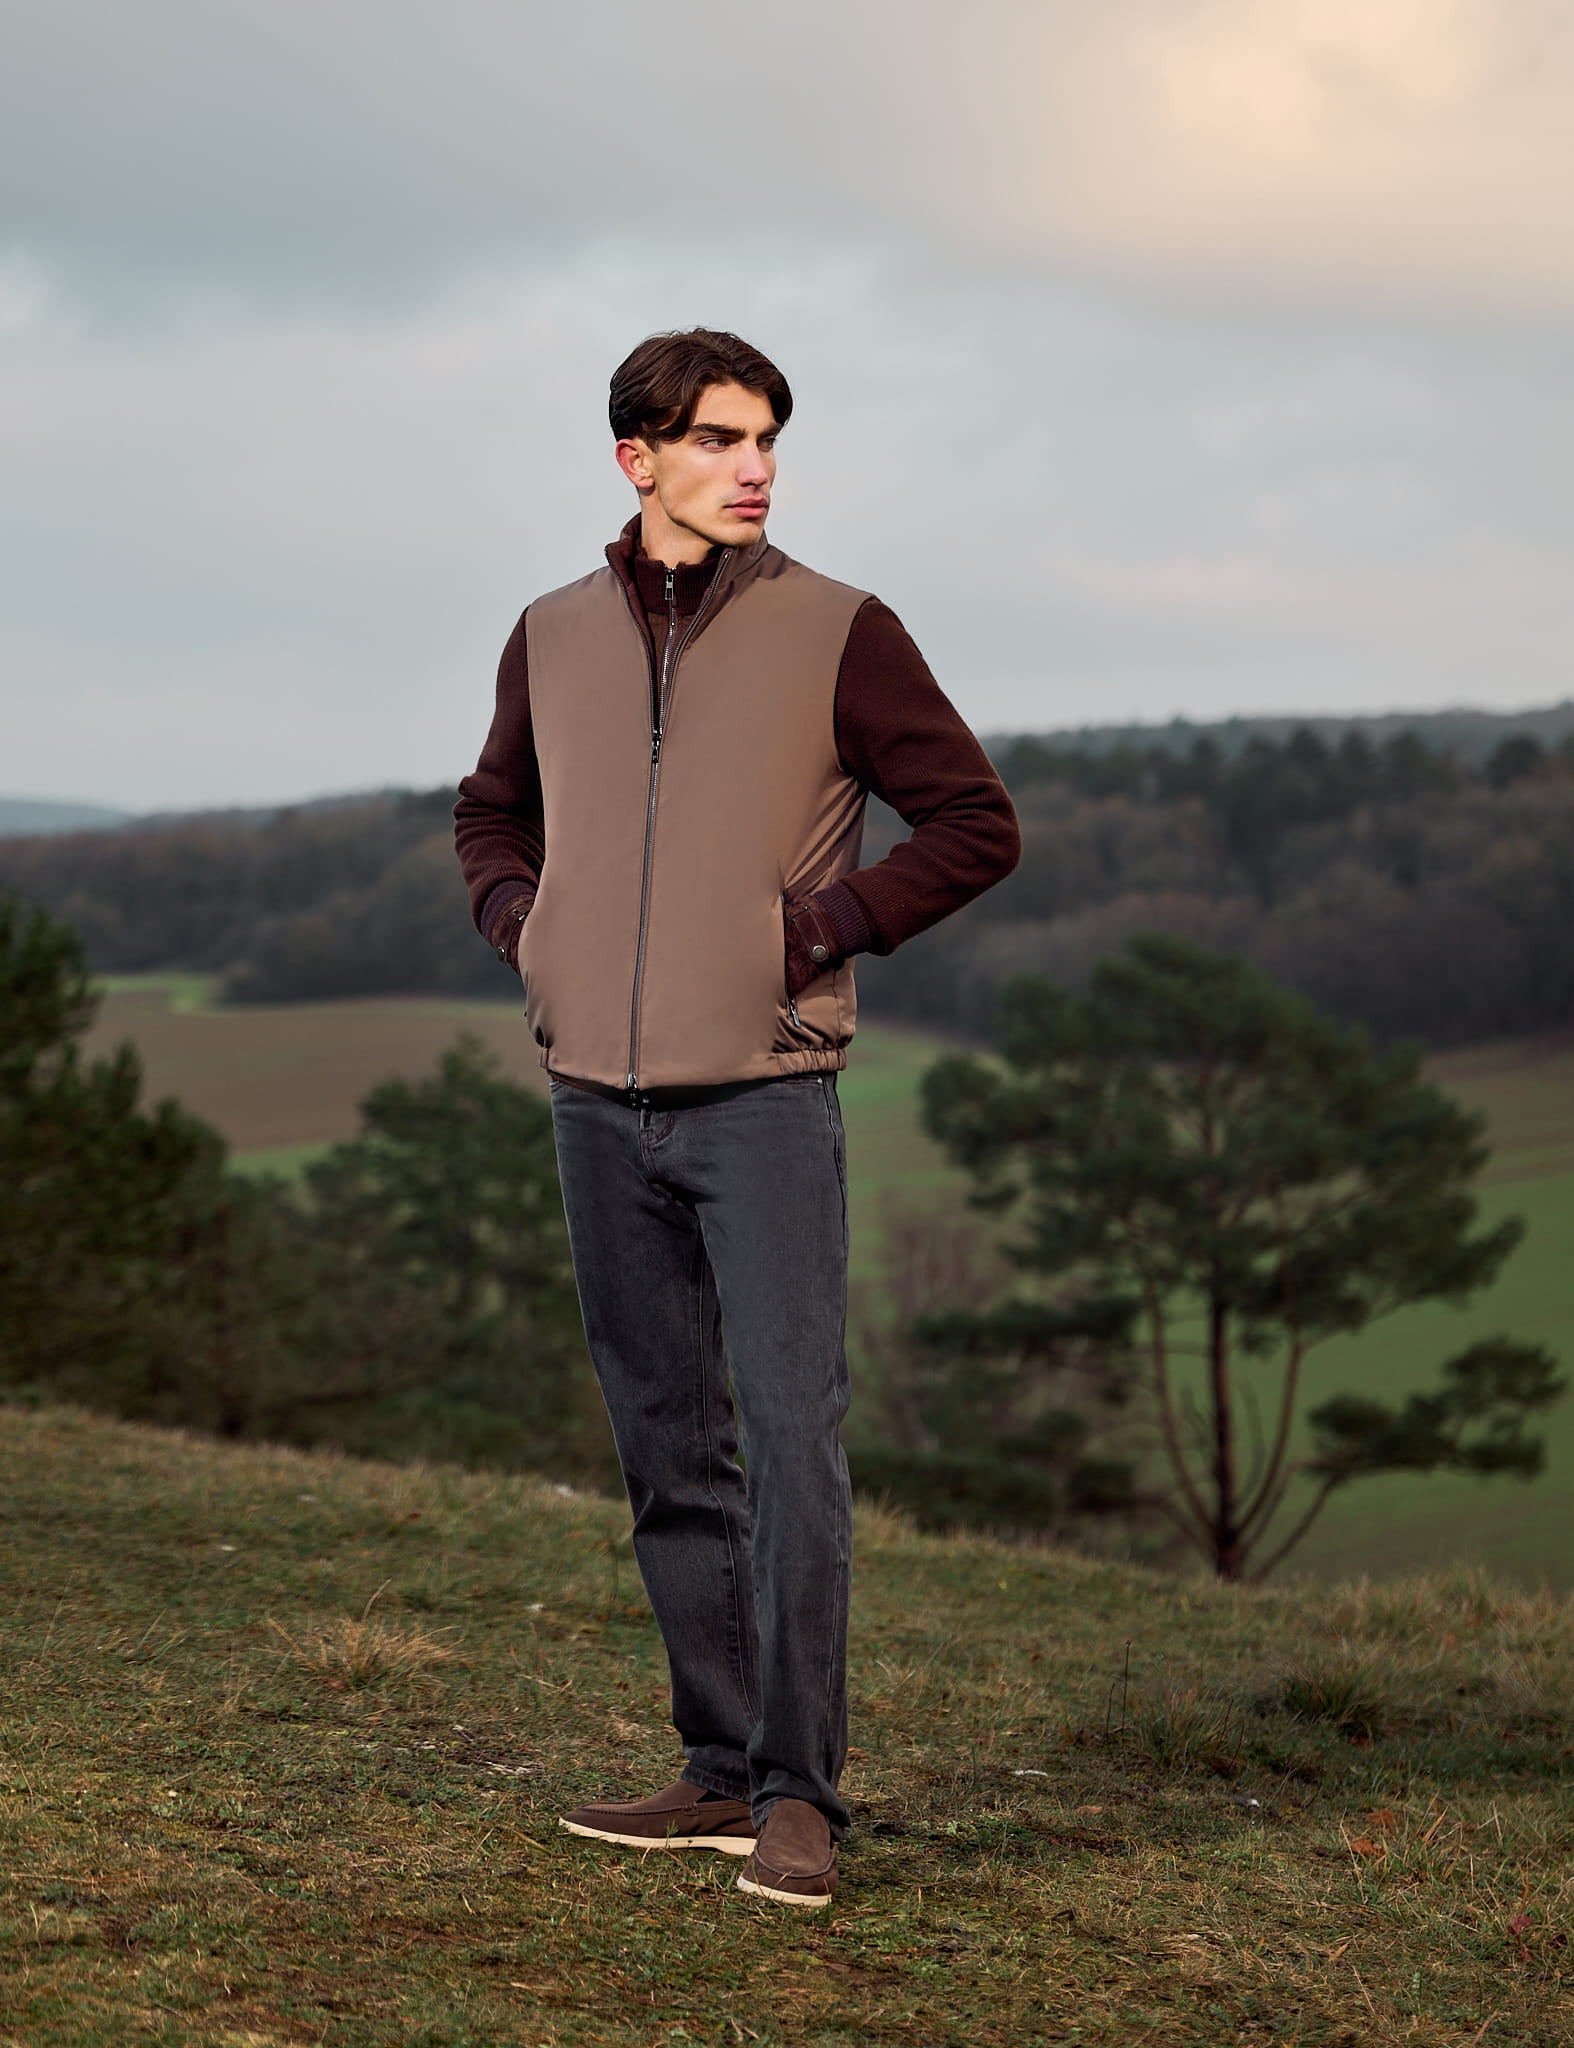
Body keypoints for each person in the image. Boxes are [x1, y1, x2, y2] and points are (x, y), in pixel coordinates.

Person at [452, 327, 1020, 1907]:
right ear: (637, 459)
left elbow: (976, 822)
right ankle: (713, 1767)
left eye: (766, 438)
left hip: (763, 1098)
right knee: (663, 1449)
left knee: (788, 1445)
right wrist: (523, 922)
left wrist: (815, 933)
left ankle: (796, 1795)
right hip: (591, 1102)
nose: (753, 466)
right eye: (716, 440)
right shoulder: (549, 633)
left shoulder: (841, 629)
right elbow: (490, 805)